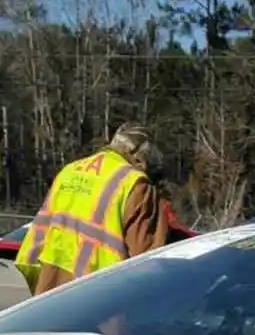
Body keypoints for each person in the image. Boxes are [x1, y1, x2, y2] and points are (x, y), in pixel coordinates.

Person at [16, 123, 174, 295]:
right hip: (99, 299)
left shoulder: (70, 170)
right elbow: (146, 261)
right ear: (139, 156)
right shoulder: (135, 183)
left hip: (49, 294)